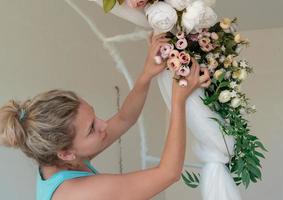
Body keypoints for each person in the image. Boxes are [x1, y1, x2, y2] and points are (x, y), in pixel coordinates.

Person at [0, 33, 211, 200]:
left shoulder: (59, 159)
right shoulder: (77, 193)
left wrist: (146, 75)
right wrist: (178, 101)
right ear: (65, 153)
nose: (103, 125)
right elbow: (168, 173)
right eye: (92, 128)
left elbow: (124, 119)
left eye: (94, 118)